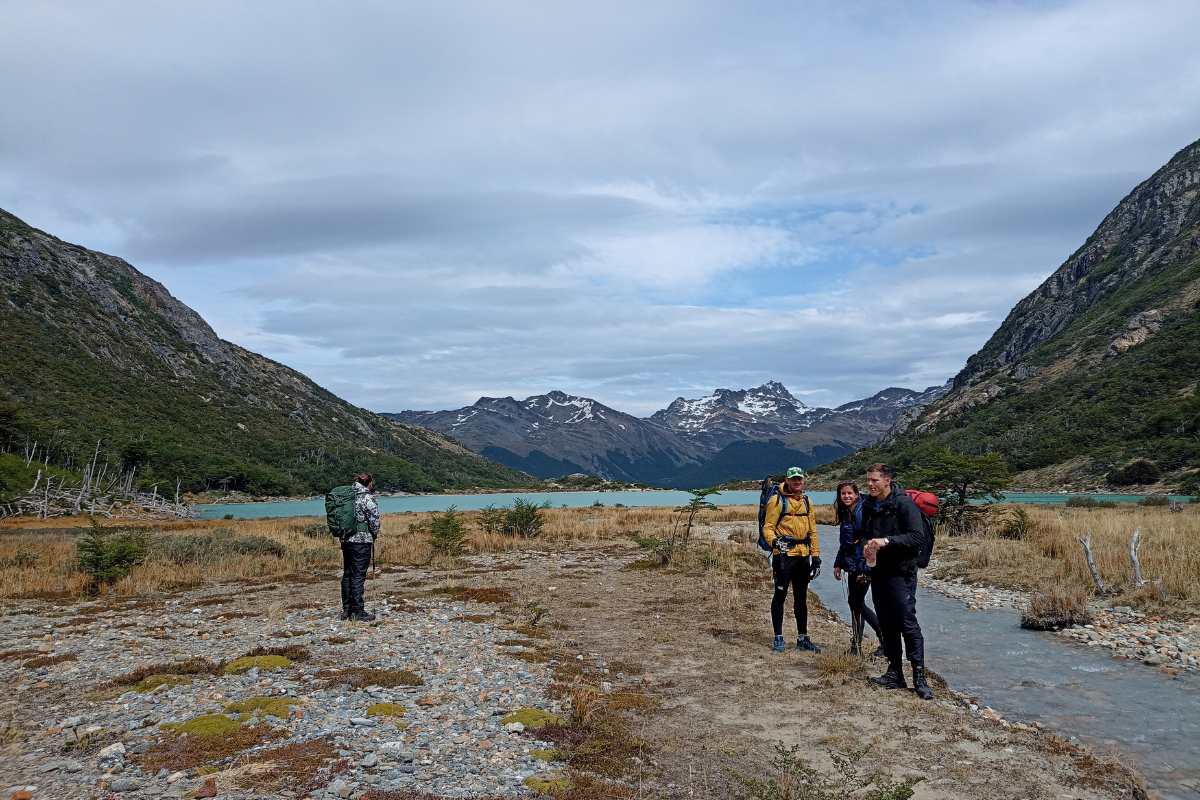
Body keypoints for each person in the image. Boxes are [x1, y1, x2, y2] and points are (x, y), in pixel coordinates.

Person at [861, 463, 933, 699]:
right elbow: (866, 534)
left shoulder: (904, 504)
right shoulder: (870, 505)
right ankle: (894, 673)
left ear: (887, 480)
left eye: (875, 480)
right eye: (868, 480)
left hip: (902, 572)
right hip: (879, 572)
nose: (870, 484)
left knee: (906, 622)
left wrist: (886, 542)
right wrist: (867, 551)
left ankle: (919, 678)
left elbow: (916, 537)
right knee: (887, 622)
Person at [762, 466, 822, 653]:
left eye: (800, 479)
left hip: (803, 557)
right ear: (787, 480)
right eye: (793, 479)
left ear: (803, 480)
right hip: (784, 557)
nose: (797, 482)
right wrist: (774, 543)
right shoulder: (776, 500)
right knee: (780, 595)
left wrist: (816, 556)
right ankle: (778, 636)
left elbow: (813, 530)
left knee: (801, 598)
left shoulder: (807, 501)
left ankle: (802, 638)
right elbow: (768, 527)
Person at [832, 481, 884, 657]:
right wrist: (838, 563)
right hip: (852, 564)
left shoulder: (862, 512)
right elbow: (846, 543)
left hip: (863, 565)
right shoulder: (847, 513)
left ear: (856, 494)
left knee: (856, 602)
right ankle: (857, 645)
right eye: (843, 494)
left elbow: (867, 543)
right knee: (855, 603)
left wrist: (864, 569)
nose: (846, 496)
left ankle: (883, 639)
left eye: (849, 493)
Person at [341, 473, 381, 622]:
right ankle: (358, 611)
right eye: (372, 483)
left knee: (348, 573)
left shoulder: (348, 496)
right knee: (358, 575)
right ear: (369, 483)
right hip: (362, 541)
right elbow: (374, 520)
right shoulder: (367, 497)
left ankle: (347, 609)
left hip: (346, 539)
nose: (373, 485)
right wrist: (374, 534)